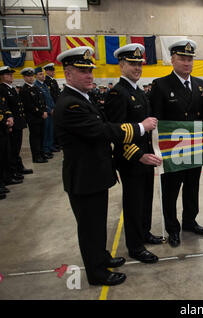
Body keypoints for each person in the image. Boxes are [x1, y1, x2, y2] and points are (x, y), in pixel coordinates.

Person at [54, 46, 159, 286]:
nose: (89, 75)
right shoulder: (71, 104)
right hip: (85, 176)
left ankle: (101, 258)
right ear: (68, 74)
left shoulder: (83, 97)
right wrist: (140, 128)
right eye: (82, 71)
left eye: (90, 70)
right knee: (90, 227)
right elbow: (104, 130)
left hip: (95, 174)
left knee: (97, 223)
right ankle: (97, 273)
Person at [104, 43, 163, 263]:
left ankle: (144, 233)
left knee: (146, 200)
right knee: (133, 204)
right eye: (132, 63)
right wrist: (139, 155)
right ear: (121, 65)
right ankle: (135, 246)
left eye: (139, 63)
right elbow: (117, 134)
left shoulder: (138, 91)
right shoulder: (117, 93)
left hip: (146, 158)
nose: (137, 67)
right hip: (132, 160)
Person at [150, 39, 203, 247]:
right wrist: (157, 149)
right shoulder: (161, 85)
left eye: (190, 59)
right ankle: (172, 228)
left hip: (195, 149)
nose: (187, 63)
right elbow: (155, 119)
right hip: (172, 150)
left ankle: (190, 221)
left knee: (192, 189)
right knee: (170, 191)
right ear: (172, 60)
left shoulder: (200, 84)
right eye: (182, 58)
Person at [0, 66, 30, 183]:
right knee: (11, 149)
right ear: (2, 77)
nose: (11, 76)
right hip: (11, 123)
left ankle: (17, 168)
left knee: (16, 148)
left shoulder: (10, 88)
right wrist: (8, 120)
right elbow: (5, 107)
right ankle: (12, 172)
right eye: (8, 75)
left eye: (11, 74)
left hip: (17, 122)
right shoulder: (2, 89)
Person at [19, 68, 48, 163]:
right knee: (35, 137)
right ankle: (36, 156)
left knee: (41, 136)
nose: (31, 78)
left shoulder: (35, 87)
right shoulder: (24, 90)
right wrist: (41, 113)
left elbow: (42, 101)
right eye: (28, 76)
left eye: (31, 76)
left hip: (41, 116)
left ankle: (41, 153)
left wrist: (44, 111)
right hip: (33, 117)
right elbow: (29, 106)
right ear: (24, 77)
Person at [34, 67, 56, 157]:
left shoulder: (44, 85)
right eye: (40, 74)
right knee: (46, 131)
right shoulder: (36, 86)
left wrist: (53, 108)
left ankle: (50, 146)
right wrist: (48, 109)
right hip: (46, 111)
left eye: (42, 73)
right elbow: (41, 101)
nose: (43, 75)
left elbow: (50, 98)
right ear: (36, 76)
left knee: (51, 129)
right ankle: (45, 148)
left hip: (51, 110)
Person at [0, 84, 14, 200]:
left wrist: (9, 117)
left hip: (3, 128)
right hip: (2, 124)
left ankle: (3, 180)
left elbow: (4, 107)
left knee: (4, 154)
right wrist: (4, 120)